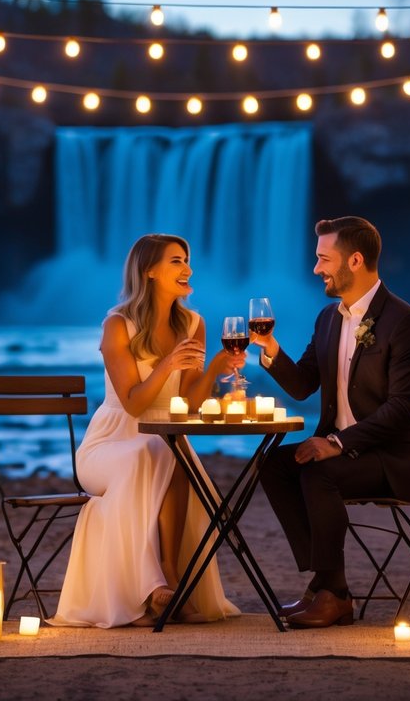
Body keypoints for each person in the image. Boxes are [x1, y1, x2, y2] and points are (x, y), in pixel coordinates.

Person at [252, 216, 410, 628]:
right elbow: (301, 385)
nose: (316, 269)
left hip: (391, 456)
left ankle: (332, 594)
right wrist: (269, 348)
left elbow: (402, 409)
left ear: (354, 260)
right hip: (343, 452)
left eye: (323, 259)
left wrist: (335, 443)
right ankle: (325, 583)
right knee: (274, 466)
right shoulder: (328, 319)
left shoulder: (406, 323)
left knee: (319, 473)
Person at [52, 234, 243, 628]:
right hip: (110, 444)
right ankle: (158, 583)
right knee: (158, 448)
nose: (187, 267)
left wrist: (212, 370)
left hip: (161, 441)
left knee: (168, 448)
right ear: (150, 271)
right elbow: (135, 404)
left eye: (187, 259)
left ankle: (166, 581)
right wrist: (168, 364)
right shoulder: (117, 325)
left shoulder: (193, 323)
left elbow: (188, 405)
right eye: (176, 261)